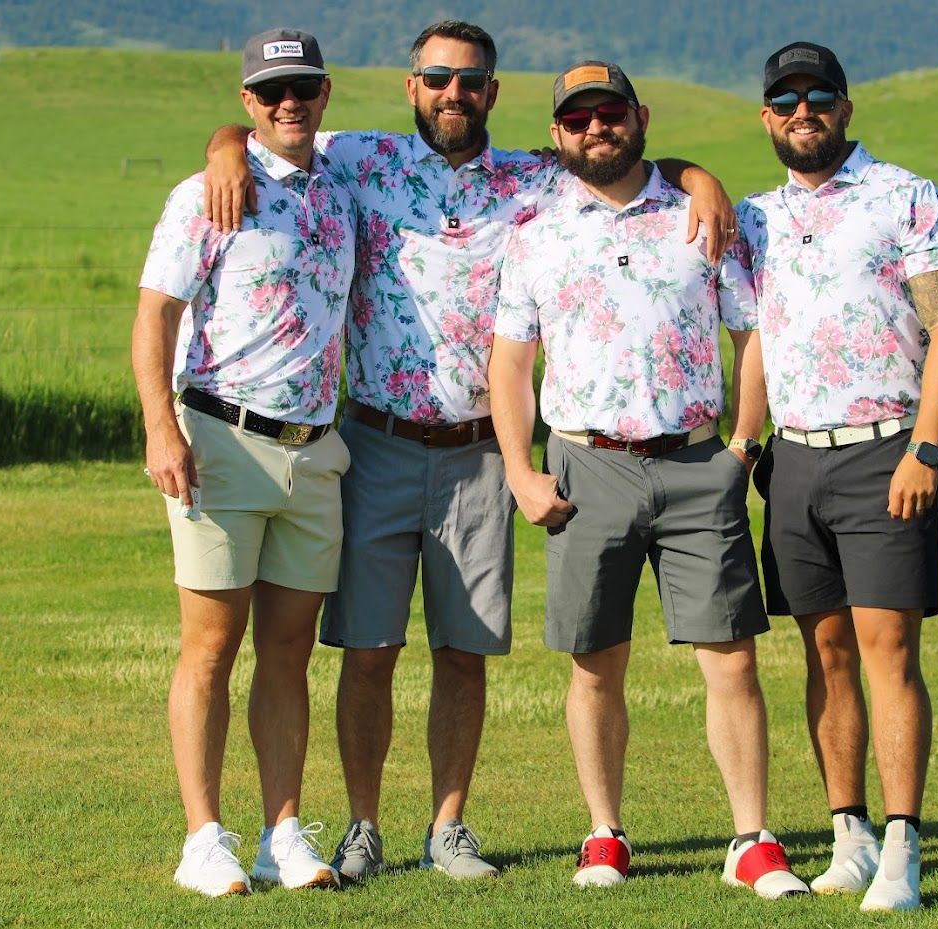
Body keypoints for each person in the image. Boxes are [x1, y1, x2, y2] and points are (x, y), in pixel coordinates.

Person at [200, 21, 739, 882]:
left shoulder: (534, 175)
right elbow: (268, 131)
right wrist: (224, 144)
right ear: (413, 86)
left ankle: (449, 825)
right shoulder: (359, 159)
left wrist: (697, 176)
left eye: (471, 81)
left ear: (492, 92)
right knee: (369, 650)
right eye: (438, 78)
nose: (454, 93)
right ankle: (363, 824)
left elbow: (625, 164)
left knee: (464, 649)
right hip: (374, 441)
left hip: (483, 452)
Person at [489, 60, 808, 899]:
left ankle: (751, 839)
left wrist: (742, 446)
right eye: (580, 117)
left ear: (641, 117)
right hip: (585, 463)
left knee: (732, 659)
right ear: (559, 133)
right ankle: (604, 832)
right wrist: (520, 471)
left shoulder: (700, 218)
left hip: (698, 460)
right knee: (595, 663)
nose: (598, 127)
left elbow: (752, 333)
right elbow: (512, 362)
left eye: (612, 112)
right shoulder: (533, 230)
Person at [737, 41, 938, 912]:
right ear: (767, 116)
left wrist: (926, 446)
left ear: (846, 106)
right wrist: (744, 442)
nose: (805, 111)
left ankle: (904, 849)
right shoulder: (754, 217)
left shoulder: (908, 197)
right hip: (793, 459)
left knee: (888, 653)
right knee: (823, 649)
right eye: (787, 99)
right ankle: (850, 834)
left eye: (820, 97)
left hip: (886, 450)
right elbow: (754, 336)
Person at [132, 27, 355, 897]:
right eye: (269, 94)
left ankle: (282, 832)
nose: (287, 104)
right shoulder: (206, 194)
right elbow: (155, 317)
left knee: (290, 651)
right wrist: (162, 426)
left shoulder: (344, 186)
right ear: (247, 104)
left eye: (302, 89)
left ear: (326, 93)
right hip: (220, 439)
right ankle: (203, 838)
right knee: (212, 646)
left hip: (315, 449)